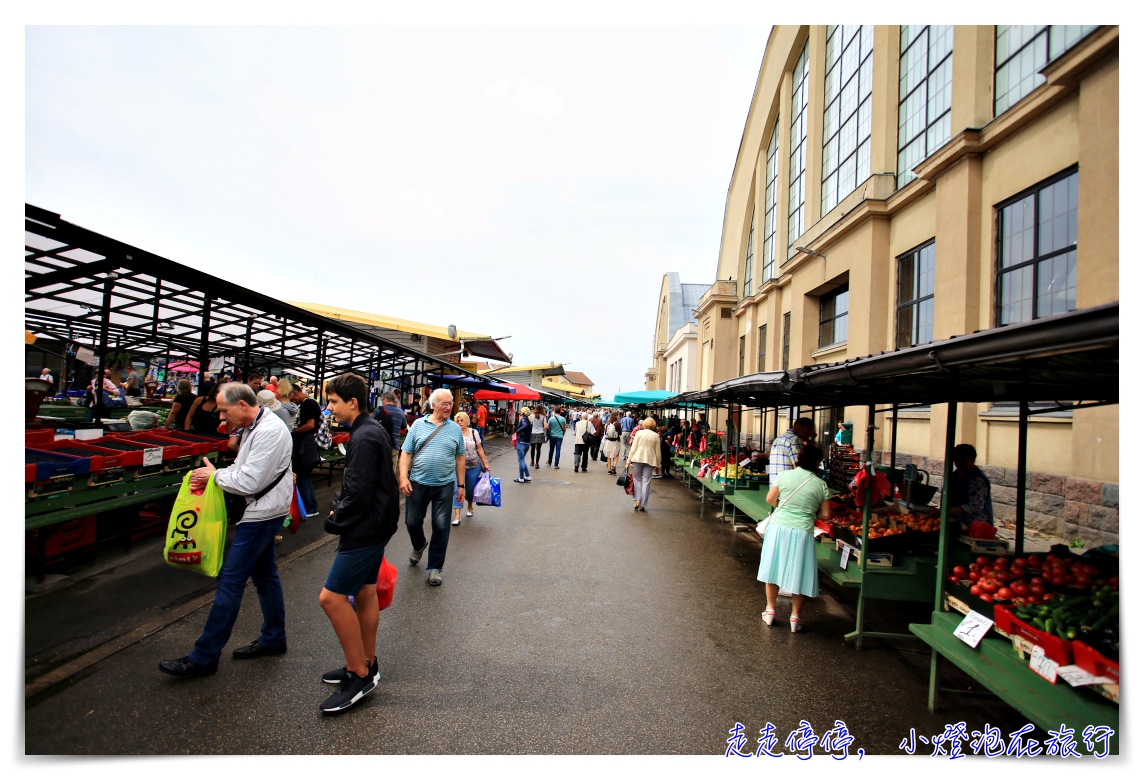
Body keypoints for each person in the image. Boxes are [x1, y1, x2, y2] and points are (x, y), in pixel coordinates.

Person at [158, 382, 293, 678]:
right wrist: (220, 473)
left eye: (223, 410)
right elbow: (247, 472)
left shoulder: (269, 430)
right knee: (265, 576)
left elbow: (249, 482)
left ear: (242, 405)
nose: (221, 416)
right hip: (265, 508)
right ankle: (274, 638)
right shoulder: (256, 427)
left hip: (262, 512)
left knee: (231, 580)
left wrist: (215, 475)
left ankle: (205, 657)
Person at [317, 373, 399, 713]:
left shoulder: (363, 436)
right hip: (376, 525)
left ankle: (359, 673)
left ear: (352, 402)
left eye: (334, 401)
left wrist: (334, 519)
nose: (330, 407)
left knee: (332, 598)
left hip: (365, 529)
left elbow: (357, 490)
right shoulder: (371, 429)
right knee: (364, 592)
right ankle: (366, 662)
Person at [758, 444, 831, 633]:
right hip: (803, 530)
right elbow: (826, 513)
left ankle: (770, 611)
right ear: (816, 462)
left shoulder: (784, 476)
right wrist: (808, 511)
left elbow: (770, 499)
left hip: (779, 527)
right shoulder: (820, 484)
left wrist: (782, 506)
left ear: (798, 458)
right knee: (800, 572)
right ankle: (795, 616)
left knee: (773, 568)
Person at [400, 388, 466, 587]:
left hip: (444, 485)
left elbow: (460, 458)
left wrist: (461, 485)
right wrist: (403, 477)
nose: (448, 407)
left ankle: (435, 567)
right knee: (412, 521)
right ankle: (419, 544)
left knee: (441, 526)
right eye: (444, 404)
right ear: (433, 404)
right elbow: (406, 453)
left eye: (450, 404)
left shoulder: (455, 429)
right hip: (418, 482)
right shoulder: (418, 425)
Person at [289, 384, 324, 517]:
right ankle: (312, 507)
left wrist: (295, 432)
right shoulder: (311, 402)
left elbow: (310, 424)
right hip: (309, 445)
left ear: (295, 393)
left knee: (302, 477)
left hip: (306, 445)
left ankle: (310, 508)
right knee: (305, 477)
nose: (292, 401)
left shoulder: (307, 404)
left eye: (291, 398)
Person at [451, 411, 490, 525]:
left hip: (473, 465)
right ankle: (457, 515)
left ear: (467, 421)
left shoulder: (474, 432)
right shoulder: (454, 433)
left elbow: (480, 449)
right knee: (457, 489)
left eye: (462, 420)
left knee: (470, 488)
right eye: (457, 421)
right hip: (458, 467)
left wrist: (485, 463)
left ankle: (469, 506)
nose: (459, 423)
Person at [948, 443, 994, 531]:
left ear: (972, 459)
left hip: (975, 525)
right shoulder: (956, 474)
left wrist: (950, 511)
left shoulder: (977, 479)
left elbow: (975, 506)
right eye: (956, 459)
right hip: (956, 520)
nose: (958, 463)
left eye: (963, 460)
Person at [623, 418, 662, 511]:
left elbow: (633, 448)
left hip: (638, 458)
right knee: (646, 481)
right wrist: (658, 465)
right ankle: (643, 504)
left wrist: (628, 461)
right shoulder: (656, 436)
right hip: (650, 459)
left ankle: (637, 500)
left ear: (644, 424)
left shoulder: (639, 433)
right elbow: (658, 452)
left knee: (637, 479)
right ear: (653, 425)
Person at [767, 417, 816, 482]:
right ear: (806, 428)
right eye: (809, 435)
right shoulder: (796, 440)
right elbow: (800, 468)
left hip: (775, 486)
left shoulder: (779, 439)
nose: (808, 438)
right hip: (789, 487)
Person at [373, 391, 408, 475]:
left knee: (378, 472)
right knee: (391, 473)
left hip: (379, 445)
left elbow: (371, 426)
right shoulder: (400, 412)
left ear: (385, 399)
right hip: (393, 445)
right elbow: (404, 427)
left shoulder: (378, 410)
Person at [514, 408, 533, 483]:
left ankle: (521, 478)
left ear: (522, 413)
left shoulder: (524, 420)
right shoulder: (529, 420)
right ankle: (527, 476)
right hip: (527, 443)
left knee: (521, 460)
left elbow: (523, 426)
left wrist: (517, 431)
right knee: (522, 460)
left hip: (522, 443)